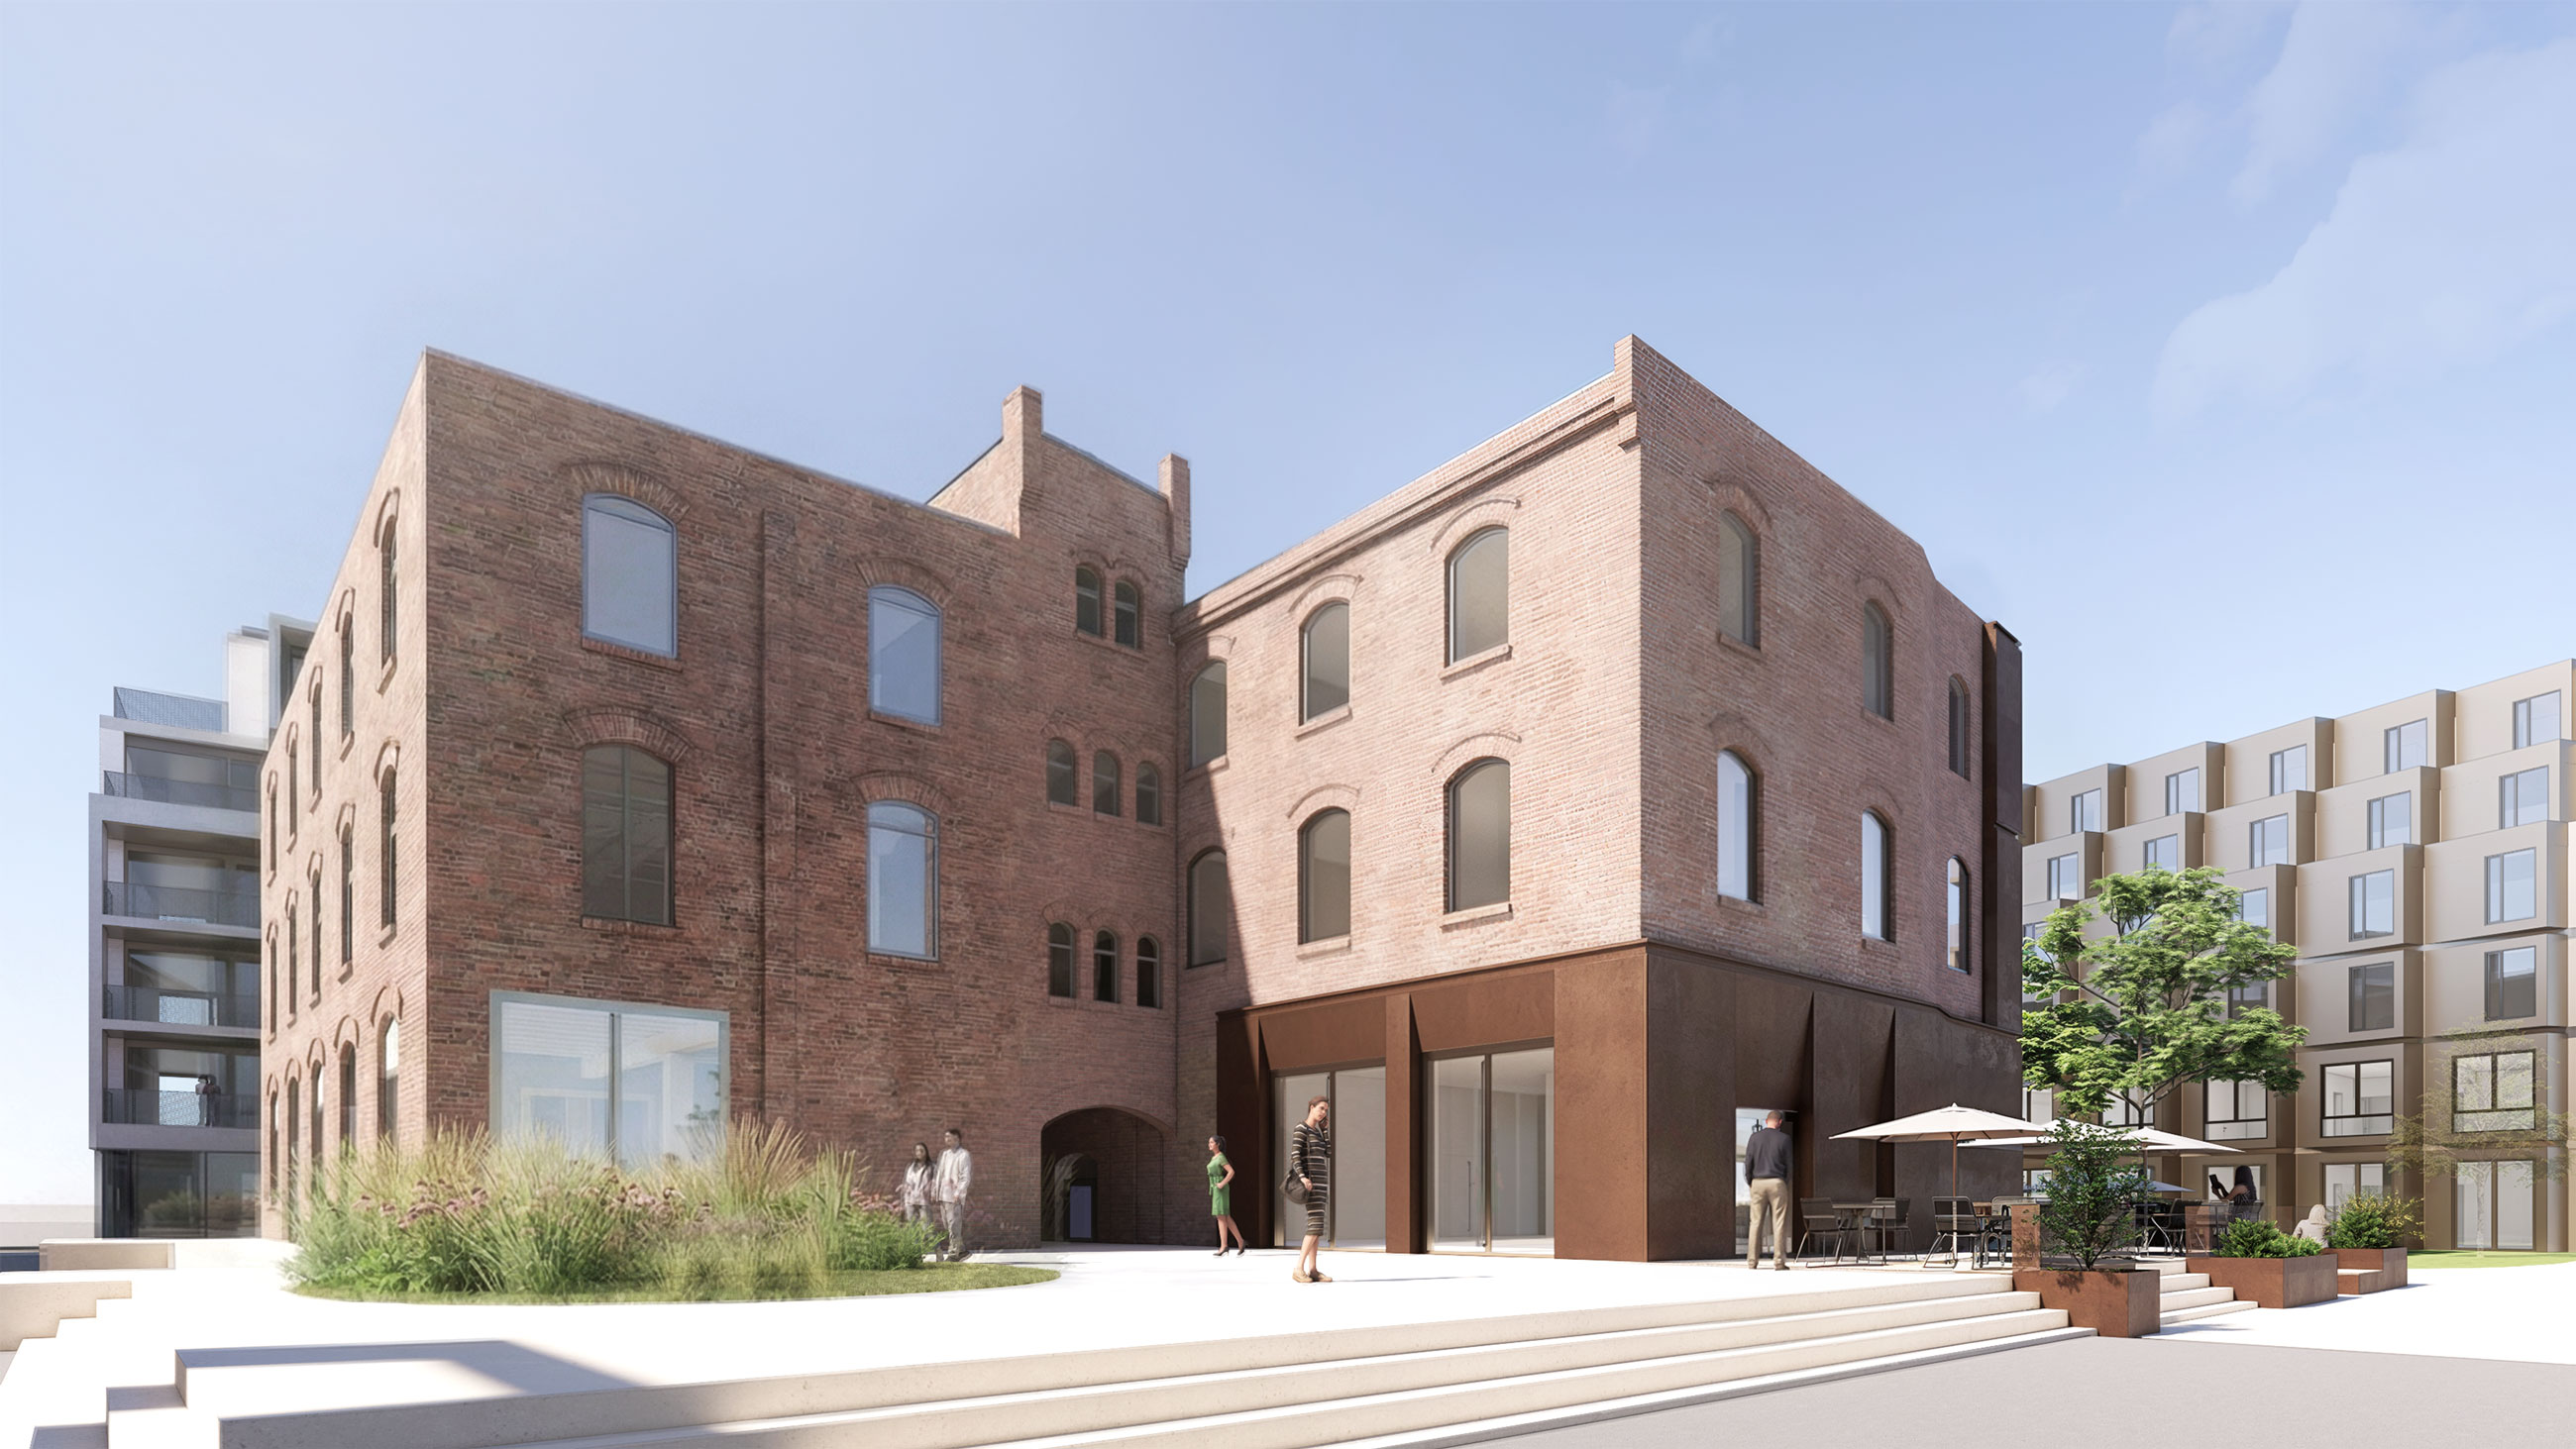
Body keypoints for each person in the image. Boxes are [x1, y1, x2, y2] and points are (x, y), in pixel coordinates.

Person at [1743, 1110, 1794, 1270]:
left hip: (1758, 1182)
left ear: (1766, 1121)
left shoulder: (1754, 1138)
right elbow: (1790, 1165)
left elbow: (1748, 1162)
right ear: (1779, 1122)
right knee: (1778, 1222)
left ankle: (1752, 1261)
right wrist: (1784, 1182)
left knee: (1755, 1222)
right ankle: (1779, 1261)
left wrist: (1751, 1180)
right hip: (1777, 1182)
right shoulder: (1784, 1139)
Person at [1289, 1095, 1331, 1283]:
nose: (1323, 1112)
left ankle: (1313, 1270)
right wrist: (1303, 1177)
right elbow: (1295, 1155)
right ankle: (1299, 1268)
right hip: (1311, 1184)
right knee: (1314, 1226)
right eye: (1321, 1108)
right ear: (1311, 1107)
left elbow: (1328, 1153)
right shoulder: (1301, 1128)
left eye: (1326, 1110)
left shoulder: (1318, 1131)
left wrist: (1325, 1131)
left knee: (1318, 1227)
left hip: (1321, 1184)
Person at [932, 1127, 974, 1261]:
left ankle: (953, 1254)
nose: (946, 1140)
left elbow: (965, 1177)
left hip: (954, 1197)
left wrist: (958, 1192)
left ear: (956, 1138)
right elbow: (939, 1174)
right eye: (945, 1137)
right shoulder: (944, 1154)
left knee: (954, 1226)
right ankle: (962, 1251)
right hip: (943, 1196)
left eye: (948, 1137)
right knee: (947, 1225)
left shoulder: (963, 1155)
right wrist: (935, 1191)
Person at [1207, 1135, 1245, 1255]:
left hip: (1220, 1189)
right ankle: (1240, 1242)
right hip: (1216, 1188)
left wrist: (1222, 1183)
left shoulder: (1221, 1157)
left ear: (1218, 1144)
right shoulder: (1214, 1158)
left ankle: (1224, 1246)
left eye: (1212, 1142)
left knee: (1221, 1216)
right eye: (1209, 1142)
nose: (1209, 1144)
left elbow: (1231, 1171)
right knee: (1225, 1217)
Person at [898, 1142, 935, 1230]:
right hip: (910, 1200)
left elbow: (935, 1182)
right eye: (917, 1150)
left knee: (926, 1228)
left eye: (921, 1150)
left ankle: (932, 1244)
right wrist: (903, 1200)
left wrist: (933, 1194)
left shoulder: (931, 1167)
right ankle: (915, 1244)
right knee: (912, 1227)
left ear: (926, 1151)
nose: (919, 1152)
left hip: (924, 1200)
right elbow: (905, 1183)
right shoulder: (910, 1166)